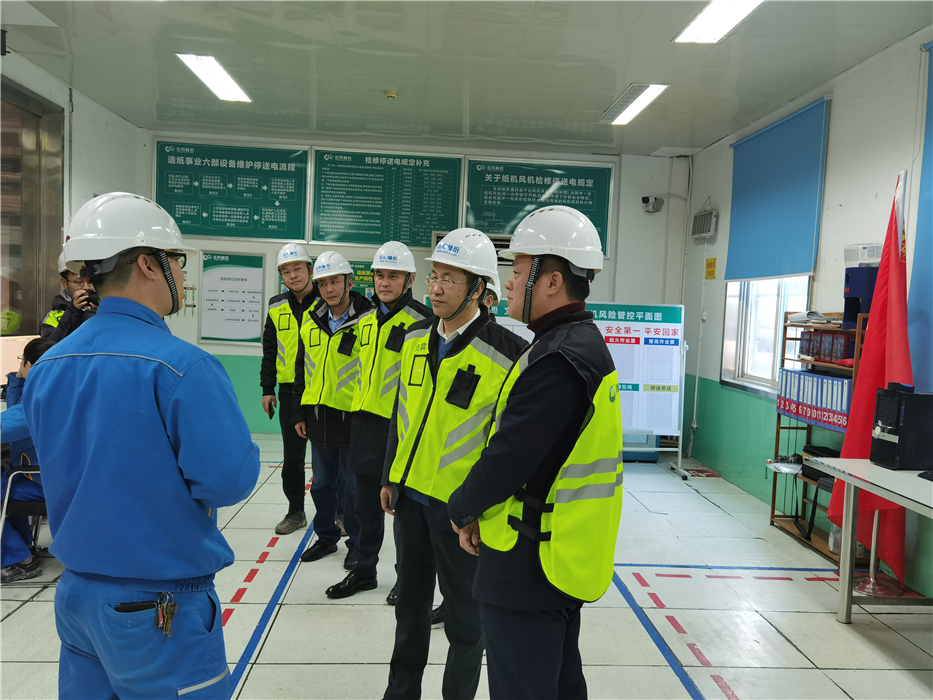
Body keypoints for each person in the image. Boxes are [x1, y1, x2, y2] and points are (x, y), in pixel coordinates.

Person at [22, 192, 261, 699]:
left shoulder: (48, 366)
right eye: (176, 259)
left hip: (77, 597)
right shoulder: (183, 367)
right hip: (157, 607)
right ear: (149, 264)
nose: (183, 273)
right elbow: (229, 480)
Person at [447, 206, 625, 700]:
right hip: (556, 554)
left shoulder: (557, 359)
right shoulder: (575, 344)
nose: (507, 282)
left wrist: (461, 508)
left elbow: (508, 458)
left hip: (529, 564)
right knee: (558, 683)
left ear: (551, 281)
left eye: (519, 269)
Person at [381, 228, 527, 700]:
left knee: (466, 622)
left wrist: (480, 509)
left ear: (479, 289)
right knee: (409, 612)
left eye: (450, 279)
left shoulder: (508, 354)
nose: (437, 288)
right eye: (434, 277)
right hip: (409, 500)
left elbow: (507, 446)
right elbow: (401, 414)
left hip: (460, 511)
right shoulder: (414, 337)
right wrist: (390, 475)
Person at [326, 242, 432, 600]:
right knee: (363, 506)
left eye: (393, 276)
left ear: (410, 280)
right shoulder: (366, 321)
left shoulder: (424, 322)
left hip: (401, 429)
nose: (384, 283)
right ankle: (364, 570)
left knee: (405, 512)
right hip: (363, 426)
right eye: (380, 275)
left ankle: (408, 579)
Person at [293, 251, 372, 567]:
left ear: (349, 282)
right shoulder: (310, 320)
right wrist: (299, 413)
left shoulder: (369, 320)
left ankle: (356, 544)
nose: (328, 289)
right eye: (323, 283)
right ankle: (326, 538)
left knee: (353, 489)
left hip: (354, 419)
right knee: (322, 485)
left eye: (335, 281)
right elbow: (302, 369)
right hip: (318, 418)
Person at [261, 243, 320, 535]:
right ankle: (295, 511)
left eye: (297, 269)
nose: (292, 275)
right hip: (288, 391)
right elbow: (270, 349)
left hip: (323, 390)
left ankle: (338, 513)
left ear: (310, 270)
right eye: (286, 271)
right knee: (293, 457)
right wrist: (267, 388)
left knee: (329, 458)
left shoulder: (327, 301)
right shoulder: (276, 306)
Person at [0, 336, 54, 584]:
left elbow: (10, 423)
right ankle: (23, 548)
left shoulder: (38, 402)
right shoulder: (52, 391)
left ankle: (17, 559)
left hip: (44, 483)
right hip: (49, 478)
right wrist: (19, 380)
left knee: (7, 484)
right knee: (7, 482)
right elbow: (16, 412)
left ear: (30, 365)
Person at [42, 252, 99, 341]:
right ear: (65, 283)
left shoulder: (106, 307)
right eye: (79, 282)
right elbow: (49, 345)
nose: (86, 287)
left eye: (90, 281)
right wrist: (73, 312)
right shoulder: (53, 317)